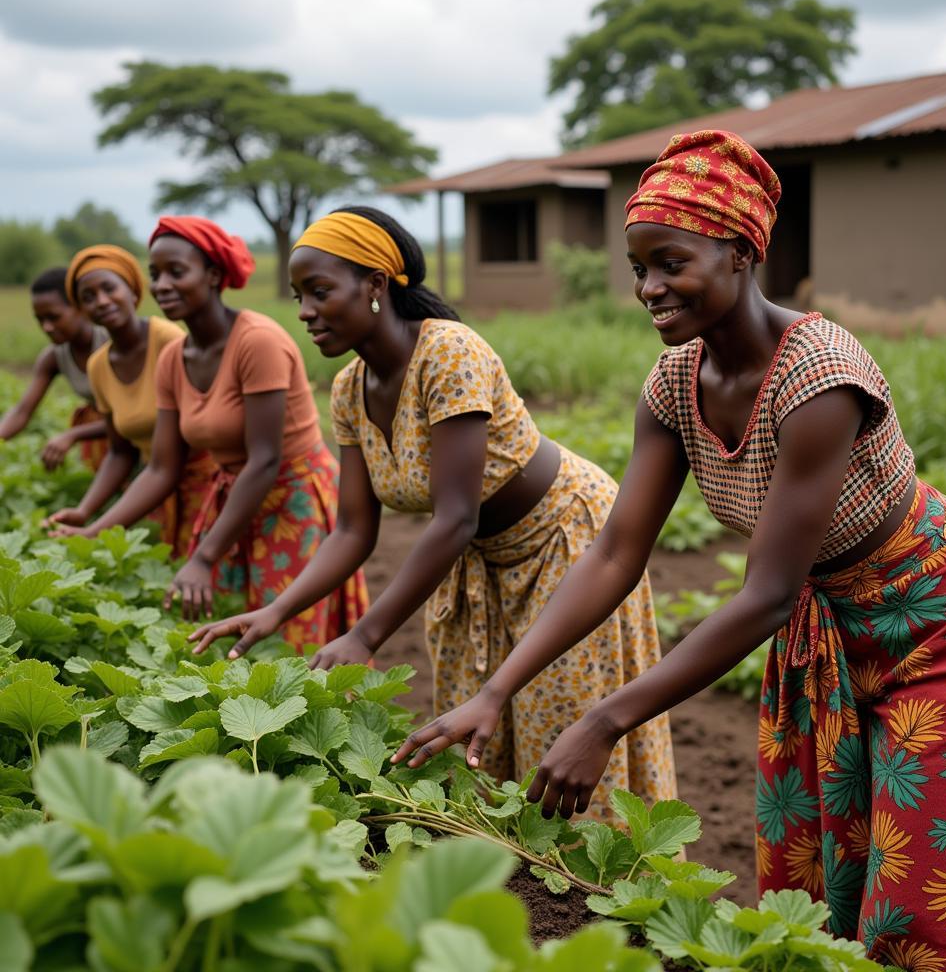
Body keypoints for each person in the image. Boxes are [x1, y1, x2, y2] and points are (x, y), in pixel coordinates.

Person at [391, 130, 946, 969]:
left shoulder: (818, 379)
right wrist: (498, 690)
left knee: (921, 910)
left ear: (739, 253)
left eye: (670, 263)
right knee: (820, 880)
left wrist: (607, 718)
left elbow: (763, 595)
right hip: (827, 623)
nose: (650, 288)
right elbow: (617, 552)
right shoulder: (674, 386)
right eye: (637, 269)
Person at [189, 205, 676, 820]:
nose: (305, 311)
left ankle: (603, 895)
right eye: (298, 296)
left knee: (560, 734)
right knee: (477, 745)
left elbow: (454, 519)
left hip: (564, 543)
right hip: (476, 566)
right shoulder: (348, 389)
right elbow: (353, 530)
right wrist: (279, 608)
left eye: (319, 291)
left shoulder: (448, 354)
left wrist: (366, 635)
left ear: (373, 286)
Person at [59, 216, 368, 649]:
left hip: (292, 500)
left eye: (176, 272)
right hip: (229, 503)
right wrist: (95, 528)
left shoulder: (257, 342)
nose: (162, 285)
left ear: (215, 276)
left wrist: (204, 556)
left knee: (289, 646)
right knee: (224, 635)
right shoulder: (173, 359)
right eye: (156, 275)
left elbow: (265, 459)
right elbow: (161, 468)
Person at [46, 246, 212, 555]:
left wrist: (96, 530)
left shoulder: (168, 341)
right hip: (156, 485)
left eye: (109, 288)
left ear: (133, 291)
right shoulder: (99, 366)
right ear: (81, 309)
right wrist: (84, 512)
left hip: (207, 482)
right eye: (89, 296)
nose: (102, 301)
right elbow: (120, 451)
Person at [0, 266, 108, 470]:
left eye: (54, 317)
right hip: (109, 440)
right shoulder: (54, 357)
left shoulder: (110, 343)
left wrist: (72, 434)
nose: (47, 327)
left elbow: (134, 414)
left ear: (80, 307)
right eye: (40, 320)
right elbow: (22, 412)